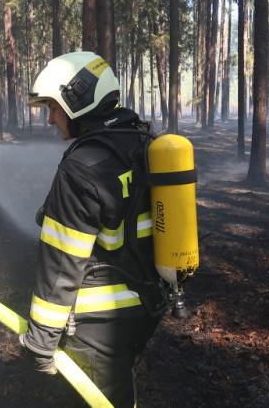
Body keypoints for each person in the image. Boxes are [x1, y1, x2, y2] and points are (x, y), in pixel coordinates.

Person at [20, 52, 166, 407]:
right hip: (147, 305)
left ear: (78, 99)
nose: (52, 120)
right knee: (118, 393)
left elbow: (61, 265)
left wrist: (41, 340)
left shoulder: (81, 168)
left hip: (99, 321)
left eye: (54, 108)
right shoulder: (145, 143)